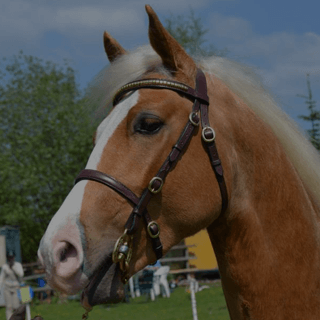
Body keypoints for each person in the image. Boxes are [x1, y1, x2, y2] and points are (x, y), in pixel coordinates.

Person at [0, 251, 24, 320]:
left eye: (11, 257)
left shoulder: (17, 265)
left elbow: (21, 274)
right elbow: (1, 278)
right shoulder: (5, 267)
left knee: (16, 306)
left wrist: (13, 267)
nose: (10, 259)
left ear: (14, 258)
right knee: (9, 307)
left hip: (16, 287)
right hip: (7, 288)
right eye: (9, 258)